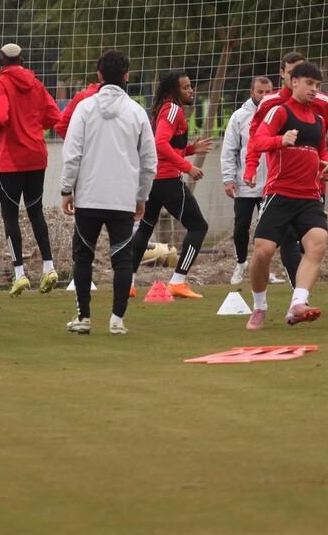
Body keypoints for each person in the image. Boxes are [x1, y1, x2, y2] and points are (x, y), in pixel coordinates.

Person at [59, 49, 157, 334]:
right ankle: (117, 320)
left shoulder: (85, 108)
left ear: (99, 75)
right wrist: (142, 196)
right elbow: (149, 162)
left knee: (83, 256)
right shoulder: (137, 112)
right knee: (122, 259)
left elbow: (72, 153)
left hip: (88, 197)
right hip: (122, 198)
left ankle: (84, 318)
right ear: (126, 76)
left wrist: (67, 189)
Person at [243, 51, 328, 285]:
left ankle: (299, 298)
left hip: (313, 189)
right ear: (285, 75)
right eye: (294, 72)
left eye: (312, 79)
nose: (310, 85)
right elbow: (256, 137)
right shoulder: (272, 104)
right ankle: (292, 299)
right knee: (283, 242)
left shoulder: (322, 104)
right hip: (281, 186)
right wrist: (250, 167)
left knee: (312, 244)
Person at [244, 62, 328, 329]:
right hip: (279, 194)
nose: (314, 90)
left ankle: (298, 303)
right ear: (293, 82)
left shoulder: (319, 121)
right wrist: (280, 140)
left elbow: (321, 154)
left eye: (318, 86)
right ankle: (259, 307)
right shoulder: (279, 112)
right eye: (309, 84)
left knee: (318, 243)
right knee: (263, 253)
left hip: (309, 196)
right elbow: (258, 141)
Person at [0, 43, 62, 296]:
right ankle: (49, 268)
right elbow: (53, 115)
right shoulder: (36, 84)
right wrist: (32, 124)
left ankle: (20, 275)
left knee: (10, 216)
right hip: (37, 157)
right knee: (36, 212)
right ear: (22, 60)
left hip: (11, 161)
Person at [129, 69, 214, 298]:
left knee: (146, 228)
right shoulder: (174, 109)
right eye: (186, 87)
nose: (191, 90)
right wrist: (188, 166)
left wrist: (189, 150)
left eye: (190, 86)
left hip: (153, 180)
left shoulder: (161, 109)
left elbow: (166, 146)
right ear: (174, 90)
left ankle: (128, 282)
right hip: (168, 181)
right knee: (198, 227)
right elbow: (159, 143)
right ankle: (178, 280)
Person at [220, 75, 274, 286]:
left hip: (271, 184)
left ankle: (263, 268)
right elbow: (229, 150)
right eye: (260, 92)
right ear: (252, 93)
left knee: (267, 229)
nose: (264, 96)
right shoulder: (239, 117)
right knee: (241, 225)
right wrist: (228, 179)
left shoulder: (278, 113)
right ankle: (241, 264)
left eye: (268, 91)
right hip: (245, 183)